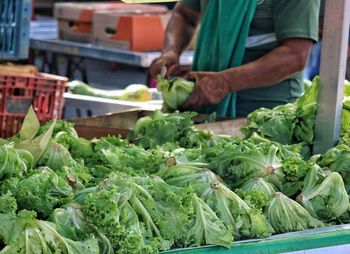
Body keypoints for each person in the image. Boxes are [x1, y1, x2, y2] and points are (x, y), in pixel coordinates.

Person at [150, 0, 321, 118]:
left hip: (265, 116)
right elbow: (184, 14)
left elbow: (295, 55)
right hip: (204, 109)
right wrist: (171, 51)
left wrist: (225, 82)